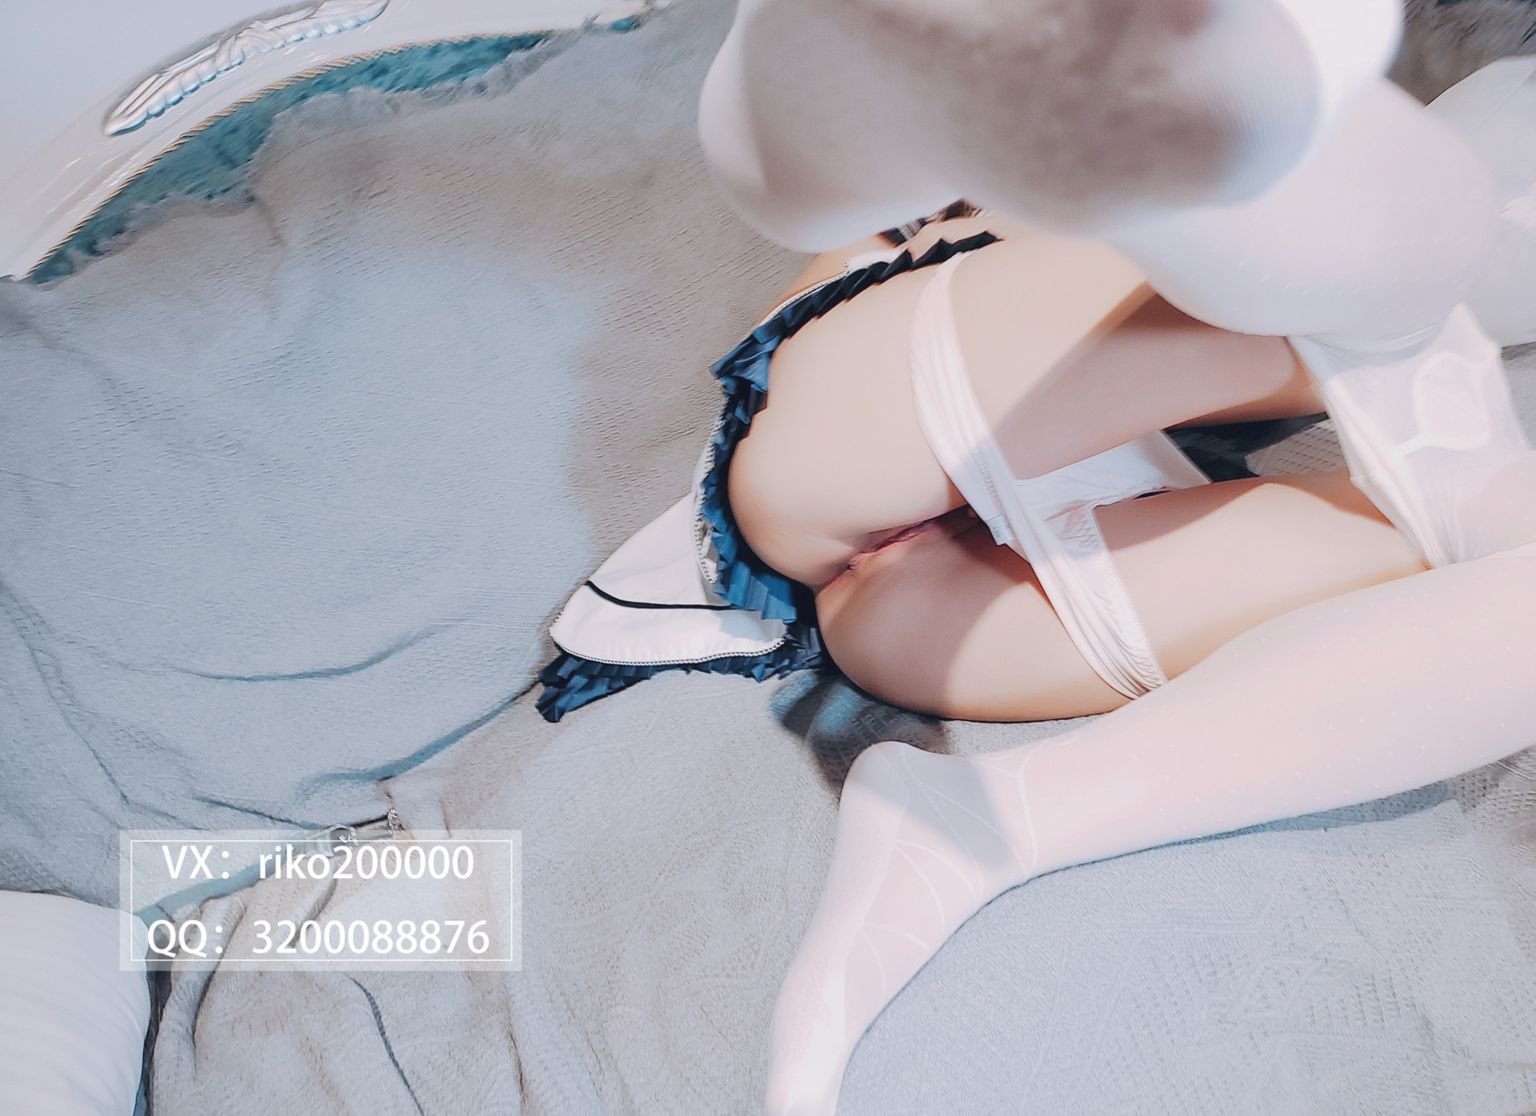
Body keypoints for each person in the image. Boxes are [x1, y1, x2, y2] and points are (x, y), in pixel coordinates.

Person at [692, 3, 1536, 1113]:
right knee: (1437, 247)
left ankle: (985, 827)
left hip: (921, 616)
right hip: (872, 415)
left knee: (1429, 285)